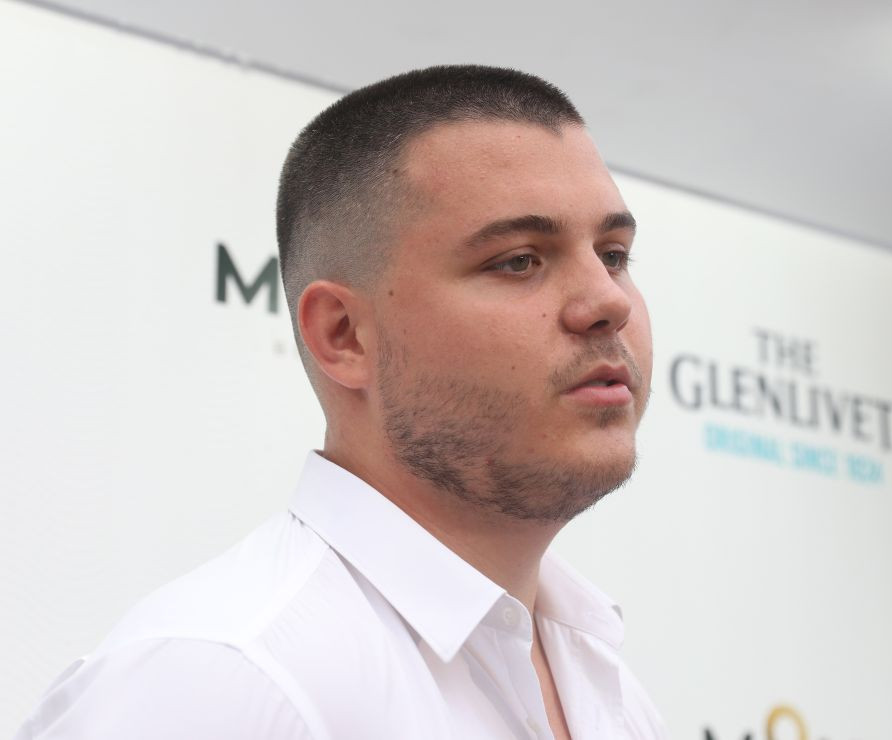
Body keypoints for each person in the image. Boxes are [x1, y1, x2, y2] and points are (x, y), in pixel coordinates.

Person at [16, 65, 664, 739]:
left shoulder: (608, 687)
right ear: (344, 335)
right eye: (519, 260)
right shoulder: (223, 683)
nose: (608, 302)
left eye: (614, 255)